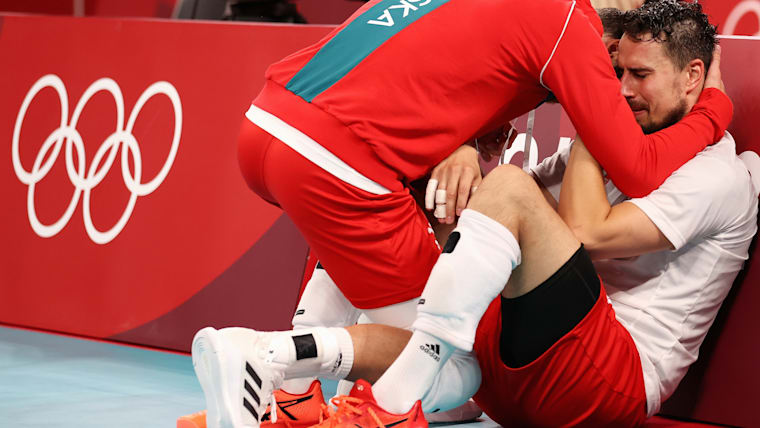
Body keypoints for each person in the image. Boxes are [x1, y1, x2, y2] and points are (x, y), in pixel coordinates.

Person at [193, 0, 735, 427]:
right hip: (338, 151)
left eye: (637, 75)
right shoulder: (567, 22)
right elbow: (626, 168)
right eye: (611, 72)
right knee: (455, 366)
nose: (616, 88)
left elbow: (444, 73)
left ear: (690, 74)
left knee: (463, 207)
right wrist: (713, 107)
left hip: (271, 115)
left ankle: (292, 394)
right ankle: (284, 365)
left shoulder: (722, 172)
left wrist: (465, 142)